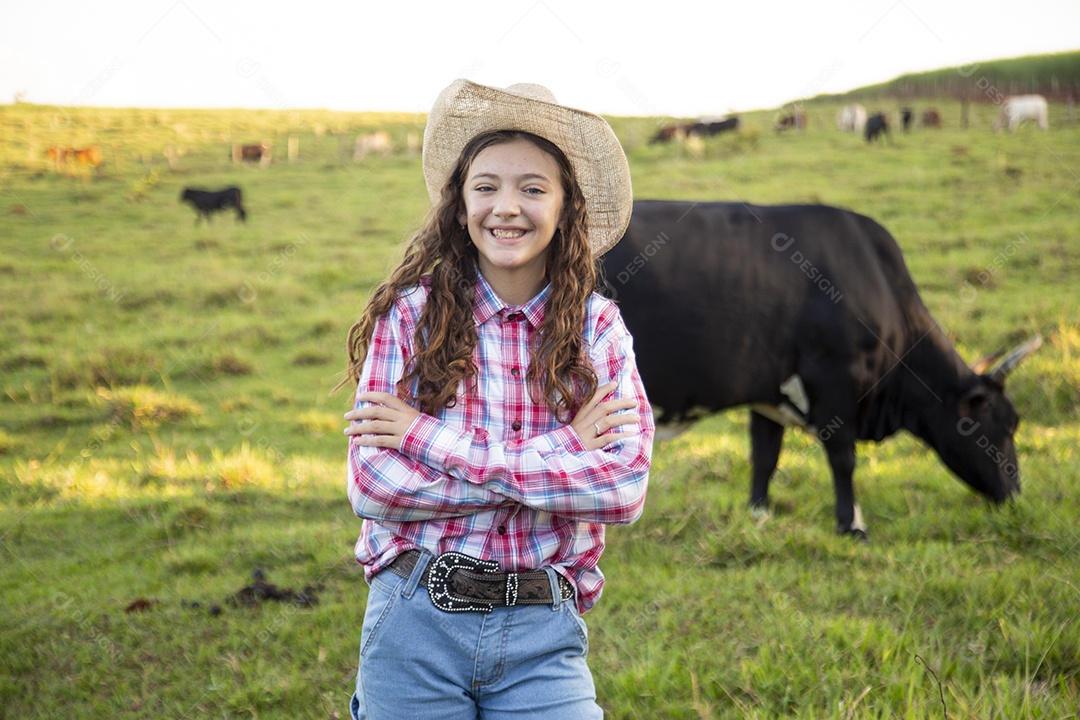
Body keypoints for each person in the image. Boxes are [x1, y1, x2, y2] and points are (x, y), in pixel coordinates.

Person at [341, 78, 654, 719]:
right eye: (486, 186)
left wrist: (430, 441)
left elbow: (622, 489)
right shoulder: (411, 319)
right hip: (415, 620)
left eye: (533, 188)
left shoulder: (598, 330)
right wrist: (562, 453)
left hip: (543, 631)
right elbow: (373, 486)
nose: (505, 207)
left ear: (567, 208)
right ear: (460, 205)